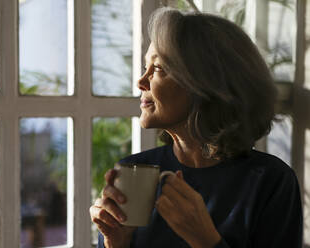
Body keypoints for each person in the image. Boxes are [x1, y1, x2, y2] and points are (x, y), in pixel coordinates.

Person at [89, 7, 303, 248]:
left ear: (206, 84)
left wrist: (205, 240)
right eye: (145, 67)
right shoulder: (133, 172)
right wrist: (114, 242)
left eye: (158, 69)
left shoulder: (271, 182)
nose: (140, 81)